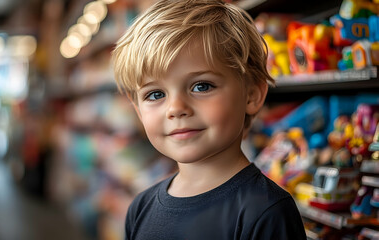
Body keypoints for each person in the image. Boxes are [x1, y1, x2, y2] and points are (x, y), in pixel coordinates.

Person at [111, 0, 306, 239]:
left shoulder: (265, 212)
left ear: (252, 94)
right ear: (139, 110)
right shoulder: (140, 208)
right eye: (155, 94)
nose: (176, 108)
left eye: (201, 86)